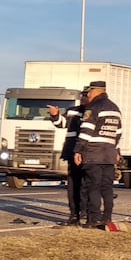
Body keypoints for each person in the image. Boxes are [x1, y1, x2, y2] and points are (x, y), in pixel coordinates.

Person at [73, 81, 122, 229]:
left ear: (95, 91)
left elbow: (86, 130)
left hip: (93, 153)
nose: (87, 95)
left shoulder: (93, 107)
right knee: (107, 187)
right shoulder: (115, 108)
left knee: (92, 186)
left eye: (89, 92)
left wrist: (78, 150)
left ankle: (94, 218)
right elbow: (118, 133)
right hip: (109, 154)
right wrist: (115, 150)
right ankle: (107, 217)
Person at [47, 87, 89, 226]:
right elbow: (61, 123)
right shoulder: (73, 110)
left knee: (87, 185)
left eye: (86, 95)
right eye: (82, 95)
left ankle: (87, 211)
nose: (83, 98)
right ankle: (74, 214)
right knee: (73, 185)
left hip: (89, 153)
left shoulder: (95, 111)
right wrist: (55, 115)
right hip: (72, 152)